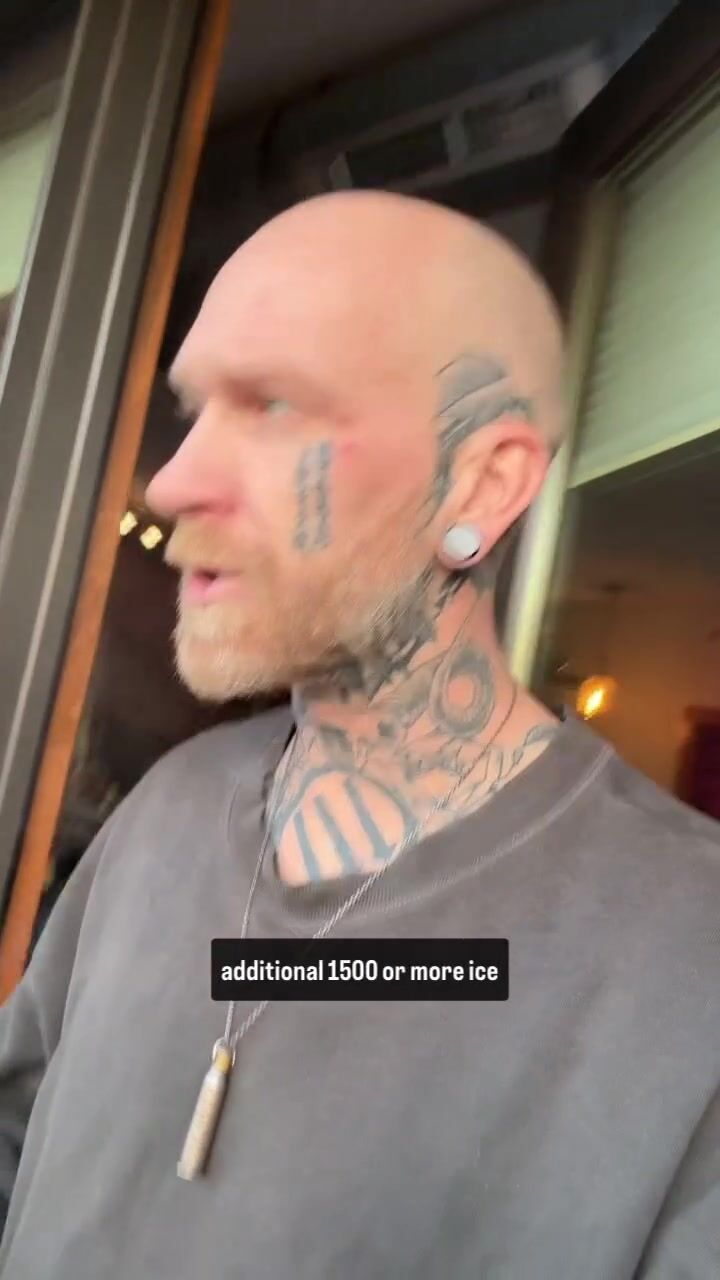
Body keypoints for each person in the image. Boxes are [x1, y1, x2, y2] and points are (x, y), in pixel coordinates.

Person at [0, 191, 718, 1279]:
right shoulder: (170, 805)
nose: (174, 479)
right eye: (195, 409)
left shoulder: (688, 960)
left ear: (480, 482)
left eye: (275, 405)